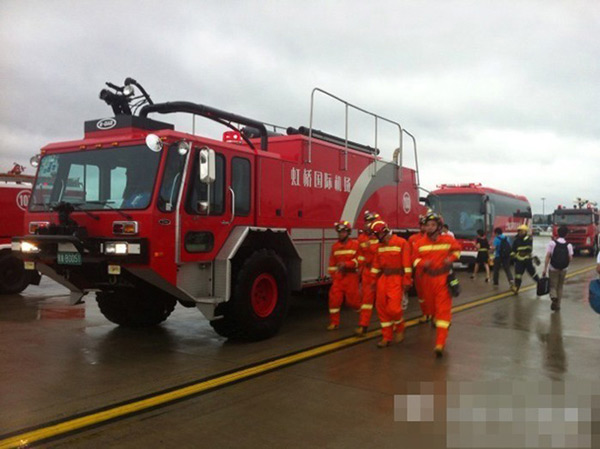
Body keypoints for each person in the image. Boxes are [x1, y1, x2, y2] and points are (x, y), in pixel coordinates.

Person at [412, 212, 461, 357]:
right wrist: (422, 263)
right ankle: (435, 320)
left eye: (432, 225)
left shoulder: (448, 240)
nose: (429, 228)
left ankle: (440, 343)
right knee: (431, 310)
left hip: (443, 279)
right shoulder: (419, 243)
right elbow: (414, 260)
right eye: (427, 225)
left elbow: (457, 251)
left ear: (439, 226)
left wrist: (451, 258)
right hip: (427, 280)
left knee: (443, 312)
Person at [369, 220, 412, 348]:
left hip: (396, 279)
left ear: (383, 232)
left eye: (376, 235)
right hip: (383, 279)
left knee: (393, 308)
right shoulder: (379, 246)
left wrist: (406, 280)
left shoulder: (401, 243)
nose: (375, 238)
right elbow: (376, 265)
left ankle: (399, 327)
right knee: (381, 308)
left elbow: (407, 265)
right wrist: (372, 280)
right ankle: (386, 337)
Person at [326, 221, 361, 330]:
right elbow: (332, 264)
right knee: (334, 299)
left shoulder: (355, 245)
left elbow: (359, 260)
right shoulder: (335, 247)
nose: (341, 234)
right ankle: (334, 322)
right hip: (339, 278)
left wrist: (347, 264)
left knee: (353, 302)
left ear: (348, 233)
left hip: (351, 277)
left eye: (343, 232)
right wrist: (334, 277)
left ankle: (363, 317)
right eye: (339, 232)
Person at [355, 211, 380, 336]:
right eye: (366, 222)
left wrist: (371, 246)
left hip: (381, 274)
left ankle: (393, 326)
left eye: (370, 222)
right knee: (366, 301)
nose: (367, 224)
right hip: (367, 273)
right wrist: (359, 270)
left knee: (384, 303)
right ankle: (363, 325)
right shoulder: (362, 238)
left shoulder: (381, 236)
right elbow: (360, 255)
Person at [542, 226, 573, 311]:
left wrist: (545, 269)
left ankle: (554, 297)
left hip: (553, 268)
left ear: (558, 233)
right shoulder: (569, 245)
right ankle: (558, 305)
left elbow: (548, 256)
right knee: (560, 286)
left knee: (553, 286)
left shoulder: (552, 243)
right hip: (563, 269)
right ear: (566, 234)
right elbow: (570, 258)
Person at [408, 216, 432, 323]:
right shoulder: (413, 239)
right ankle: (425, 314)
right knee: (421, 294)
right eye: (422, 225)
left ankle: (433, 314)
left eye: (426, 225)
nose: (424, 227)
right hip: (419, 272)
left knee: (431, 294)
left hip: (431, 272)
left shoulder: (434, 239)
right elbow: (410, 256)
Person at [511, 224, 540, 293]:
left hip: (527, 259)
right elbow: (513, 250)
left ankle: (539, 283)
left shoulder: (529, 239)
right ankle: (516, 288)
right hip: (519, 260)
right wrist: (513, 257)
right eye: (519, 231)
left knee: (532, 273)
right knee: (518, 274)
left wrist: (522, 252)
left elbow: (529, 249)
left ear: (525, 231)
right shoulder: (516, 240)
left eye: (521, 231)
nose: (520, 232)